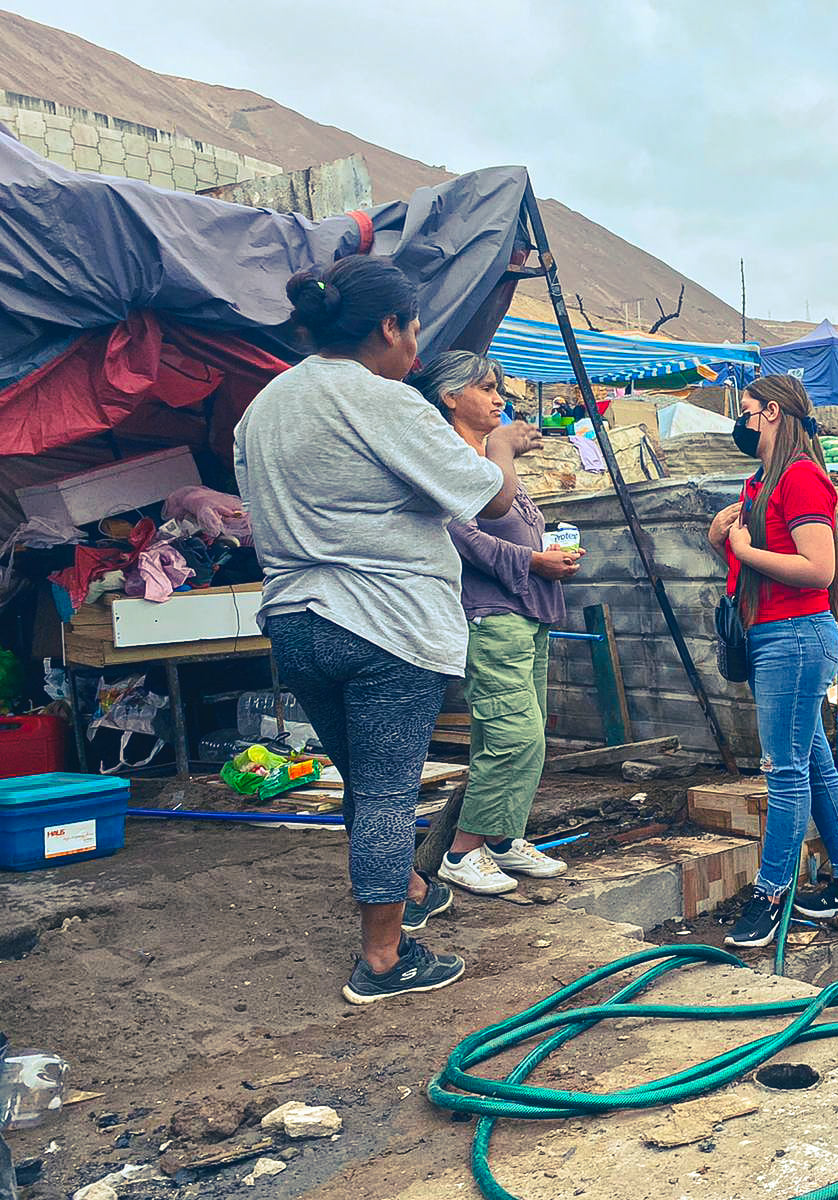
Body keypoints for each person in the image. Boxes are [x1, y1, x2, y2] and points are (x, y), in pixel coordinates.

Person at [234, 256, 538, 1005]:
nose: (416, 344)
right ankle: (383, 959)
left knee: (366, 784)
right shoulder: (381, 398)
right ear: (387, 327)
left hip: (296, 621)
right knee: (386, 794)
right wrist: (501, 449)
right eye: (414, 328)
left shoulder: (265, 406)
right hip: (382, 624)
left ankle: (405, 885)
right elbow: (490, 503)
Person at [707, 374, 838, 949]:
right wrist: (725, 536)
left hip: (796, 637)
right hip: (777, 635)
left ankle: (770, 894)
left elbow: (818, 569)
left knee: (784, 771)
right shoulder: (764, 481)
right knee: (815, 765)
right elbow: (759, 551)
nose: (743, 420)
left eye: (749, 410)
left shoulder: (802, 477)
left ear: (773, 413)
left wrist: (745, 549)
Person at [412, 351, 579, 895]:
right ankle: (463, 852)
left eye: (498, 388)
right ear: (450, 397)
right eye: (486, 388)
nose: (499, 398)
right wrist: (533, 562)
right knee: (514, 735)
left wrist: (550, 553)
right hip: (491, 616)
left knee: (516, 732)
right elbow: (462, 535)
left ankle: (503, 838)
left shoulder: (482, 457)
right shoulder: (449, 460)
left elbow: (511, 519)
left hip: (526, 612)